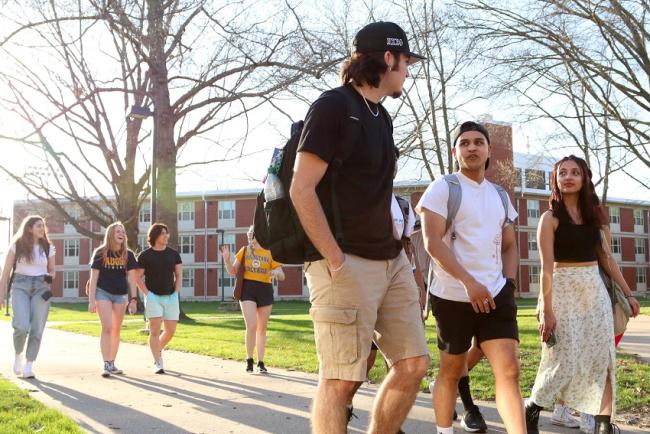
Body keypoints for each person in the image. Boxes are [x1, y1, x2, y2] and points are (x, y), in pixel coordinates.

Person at [290, 21, 429, 434]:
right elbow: (302, 188)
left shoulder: (381, 117)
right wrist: (334, 258)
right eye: (406, 62)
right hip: (345, 261)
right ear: (388, 58)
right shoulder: (333, 106)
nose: (408, 71)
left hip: (389, 260)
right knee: (342, 377)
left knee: (413, 363)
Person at [417, 121, 525, 434]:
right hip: (452, 297)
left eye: (479, 142)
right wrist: (469, 283)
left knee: (509, 370)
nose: (472, 147)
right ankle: (444, 430)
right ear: (456, 151)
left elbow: (509, 246)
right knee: (451, 370)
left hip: (496, 295)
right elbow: (432, 242)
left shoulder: (501, 196)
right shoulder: (443, 188)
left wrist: (508, 282)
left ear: (489, 150)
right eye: (464, 143)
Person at [524, 155, 640, 434]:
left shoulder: (595, 218)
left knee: (604, 358)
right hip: (561, 290)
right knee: (561, 360)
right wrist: (547, 310)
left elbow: (607, 260)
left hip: (594, 292)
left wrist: (629, 294)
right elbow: (547, 267)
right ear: (556, 180)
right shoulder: (549, 219)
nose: (568, 177)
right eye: (562, 172)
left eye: (575, 172)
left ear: (584, 178)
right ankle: (532, 408)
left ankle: (602, 424)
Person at [221, 225, 285, 374]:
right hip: (247, 289)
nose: (249, 236)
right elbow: (233, 272)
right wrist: (227, 260)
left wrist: (276, 271)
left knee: (262, 328)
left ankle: (261, 362)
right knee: (252, 325)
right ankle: (249, 359)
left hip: (265, 289)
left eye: (252, 233)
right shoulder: (244, 251)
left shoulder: (270, 252)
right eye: (248, 233)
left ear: (260, 235)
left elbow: (282, 275)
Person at [0, 216, 55, 379]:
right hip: (20, 285)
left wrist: (48, 279)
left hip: (40, 287)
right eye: (38, 226)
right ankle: (18, 354)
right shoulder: (17, 245)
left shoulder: (48, 247)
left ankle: (29, 364)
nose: (42, 229)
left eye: (43, 226)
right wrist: (1, 295)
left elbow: (53, 270)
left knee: (37, 327)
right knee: (21, 326)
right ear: (29, 228)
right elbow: (5, 273)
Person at [87, 222, 138, 377]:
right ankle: (106, 363)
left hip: (120, 295)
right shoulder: (100, 252)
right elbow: (94, 278)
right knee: (107, 327)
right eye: (118, 231)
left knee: (116, 329)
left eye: (123, 231)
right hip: (103, 293)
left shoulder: (128, 254)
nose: (121, 233)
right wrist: (91, 300)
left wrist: (134, 299)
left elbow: (132, 278)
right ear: (110, 234)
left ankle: (112, 362)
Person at [136, 223, 183, 374]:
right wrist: (147, 294)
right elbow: (137, 277)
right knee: (154, 331)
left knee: (170, 331)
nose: (166, 235)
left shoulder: (173, 254)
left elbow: (179, 274)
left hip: (171, 297)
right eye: (163, 233)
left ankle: (157, 350)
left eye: (167, 233)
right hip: (153, 297)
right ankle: (158, 362)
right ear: (155, 236)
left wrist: (176, 292)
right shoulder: (145, 255)